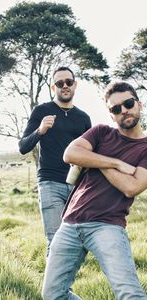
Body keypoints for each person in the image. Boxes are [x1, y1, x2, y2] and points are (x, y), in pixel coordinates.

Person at [42, 81, 147, 299]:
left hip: (107, 226)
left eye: (128, 103)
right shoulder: (101, 132)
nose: (123, 111)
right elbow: (70, 154)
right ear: (111, 115)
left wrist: (93, 159)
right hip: (70, 223)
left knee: (129, 294)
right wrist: (115, 163)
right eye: (115, 109)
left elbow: (132, 187)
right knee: (53, 294)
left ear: (140, 104)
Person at [19, 66, 91, 254]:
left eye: (69, 82)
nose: (65, 86)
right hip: (50, 183)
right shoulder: (42, 111)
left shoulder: (83, 118)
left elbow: (90, 154)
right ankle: (54, 285)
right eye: (60, 83)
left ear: (75, 85)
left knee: (78, 243)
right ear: (53, 88)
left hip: (78, 187)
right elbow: (23, 147)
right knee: (56, 241)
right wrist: (40, 130)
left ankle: (65, 283)